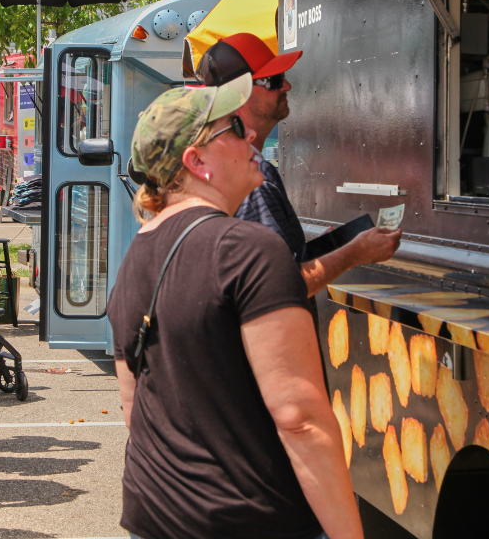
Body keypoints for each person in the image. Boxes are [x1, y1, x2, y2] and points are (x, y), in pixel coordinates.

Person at [108, 77, 401, 539]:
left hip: (156, 516)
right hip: (248, 519)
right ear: (197, 161)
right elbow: (300, 418)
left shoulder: (134, 258)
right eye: (232, 128)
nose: (249, 137)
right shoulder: (247, 250)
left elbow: (133, 410)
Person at [198, 34, 397, 304]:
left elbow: (270, 265)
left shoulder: (221, 165)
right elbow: (278, 289)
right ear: (237, 96)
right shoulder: (251, 178)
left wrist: (326, 247)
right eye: (275, 80)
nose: (287, 86)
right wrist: (354, 254)